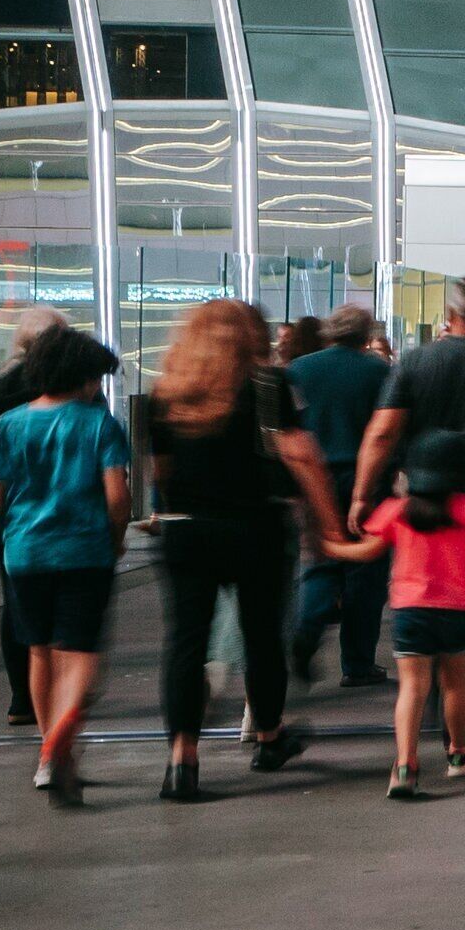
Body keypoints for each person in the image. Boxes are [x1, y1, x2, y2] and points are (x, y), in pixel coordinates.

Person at [143, 299, 343, 799]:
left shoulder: (167, 392)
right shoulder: (269, 385)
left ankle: (181, 761)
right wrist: (329, 529)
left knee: (186, 642)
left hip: (186, 529)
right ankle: (270, 738)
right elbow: (301, 454)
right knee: (261, 636)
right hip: (254, 526)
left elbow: (160, 473)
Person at [0, 323, 127, 806]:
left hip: (24, 555)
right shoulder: (99, 424)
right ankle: (63, 732)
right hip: (85, 552)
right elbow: (117, 497)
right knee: (81, 654)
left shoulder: (8, 425)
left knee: (40, 652)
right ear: (85, 377)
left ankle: (50, 757)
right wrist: (117, 538)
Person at [354, 275, 465, 719]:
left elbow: (383, 431)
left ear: (450, 315)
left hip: (422, 502)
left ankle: (427, 699)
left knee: (424, 591)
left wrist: (361, 495)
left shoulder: (414, 362)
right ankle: (463, 710)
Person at [324, 428, 465, 799]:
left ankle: (405, 765)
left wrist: (331, 547)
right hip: (459, 612)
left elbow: (367, 552)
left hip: (410, 612)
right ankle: (458, 753)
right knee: (456, 686)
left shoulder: (396, 510)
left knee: (412, 689)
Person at [0, 308, 69, 725]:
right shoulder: (71, 388)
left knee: (17, 605)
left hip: (12, 515)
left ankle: (22, 697)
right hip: (65, 512)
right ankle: (59, 689)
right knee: (67, 602)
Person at [283, 303, 390, 687]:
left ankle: (306, 633)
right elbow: (387, 429)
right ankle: (358, 664)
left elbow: (287, 432)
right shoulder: (379, 371)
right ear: (366, 334)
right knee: (366, 574)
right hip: (366, 481)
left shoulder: (298, 370)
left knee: (320, 562)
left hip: (314, 480)